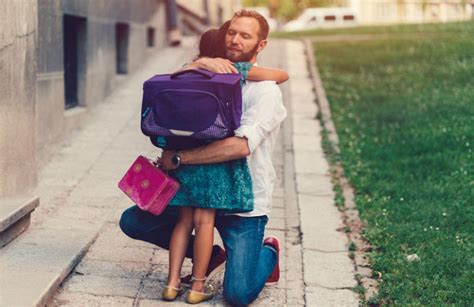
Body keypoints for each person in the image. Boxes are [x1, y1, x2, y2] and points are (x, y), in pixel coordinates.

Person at [120, 9, 287, 306]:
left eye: (245, 36)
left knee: (237, 294)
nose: (234, 40)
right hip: (198, 190)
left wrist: (180, 159)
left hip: (243, 202)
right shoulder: (203, 74)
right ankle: (210, 255)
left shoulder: (265, 93)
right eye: (231, 32)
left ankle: (268, 252)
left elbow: (239, 147)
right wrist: (199, 63)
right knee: (134, 221)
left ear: (261, 45)